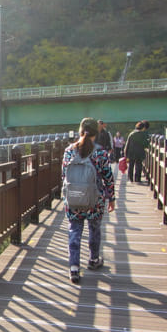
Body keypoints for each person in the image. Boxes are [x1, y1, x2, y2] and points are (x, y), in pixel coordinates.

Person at [62, 117, 115, 284]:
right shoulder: (100, 152)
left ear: (80, 131)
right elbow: (108, 177)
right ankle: (93, 259)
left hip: (74, 199)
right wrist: (111, 198)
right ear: (96, 132)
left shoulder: (69, 151)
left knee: (74, 230)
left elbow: (64, 176)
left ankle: (74, 267)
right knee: (94, 229)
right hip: (95, 200)